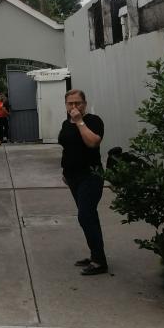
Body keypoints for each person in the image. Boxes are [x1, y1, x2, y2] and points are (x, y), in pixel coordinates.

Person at [58, 89, 107, 275]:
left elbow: (92, 142)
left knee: (85, 216)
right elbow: (68, 149)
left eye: (77, 103)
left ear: (84, 104)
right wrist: (65, 171)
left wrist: (79, 121)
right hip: (73, 177)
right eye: (70, 103)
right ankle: (96, 255)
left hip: (91, 176)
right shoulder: (65, 123)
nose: (74, 106)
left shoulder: (93, 121)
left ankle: (99, 262)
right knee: (89, 217)